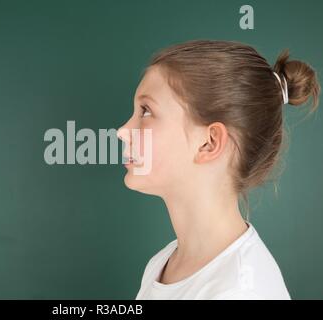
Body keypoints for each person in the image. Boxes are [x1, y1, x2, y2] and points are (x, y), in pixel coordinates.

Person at [116, 40, 320, 299]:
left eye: (146, 111)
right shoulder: (162, 263)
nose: (122, 131)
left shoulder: (242, 292)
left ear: (209, 143)